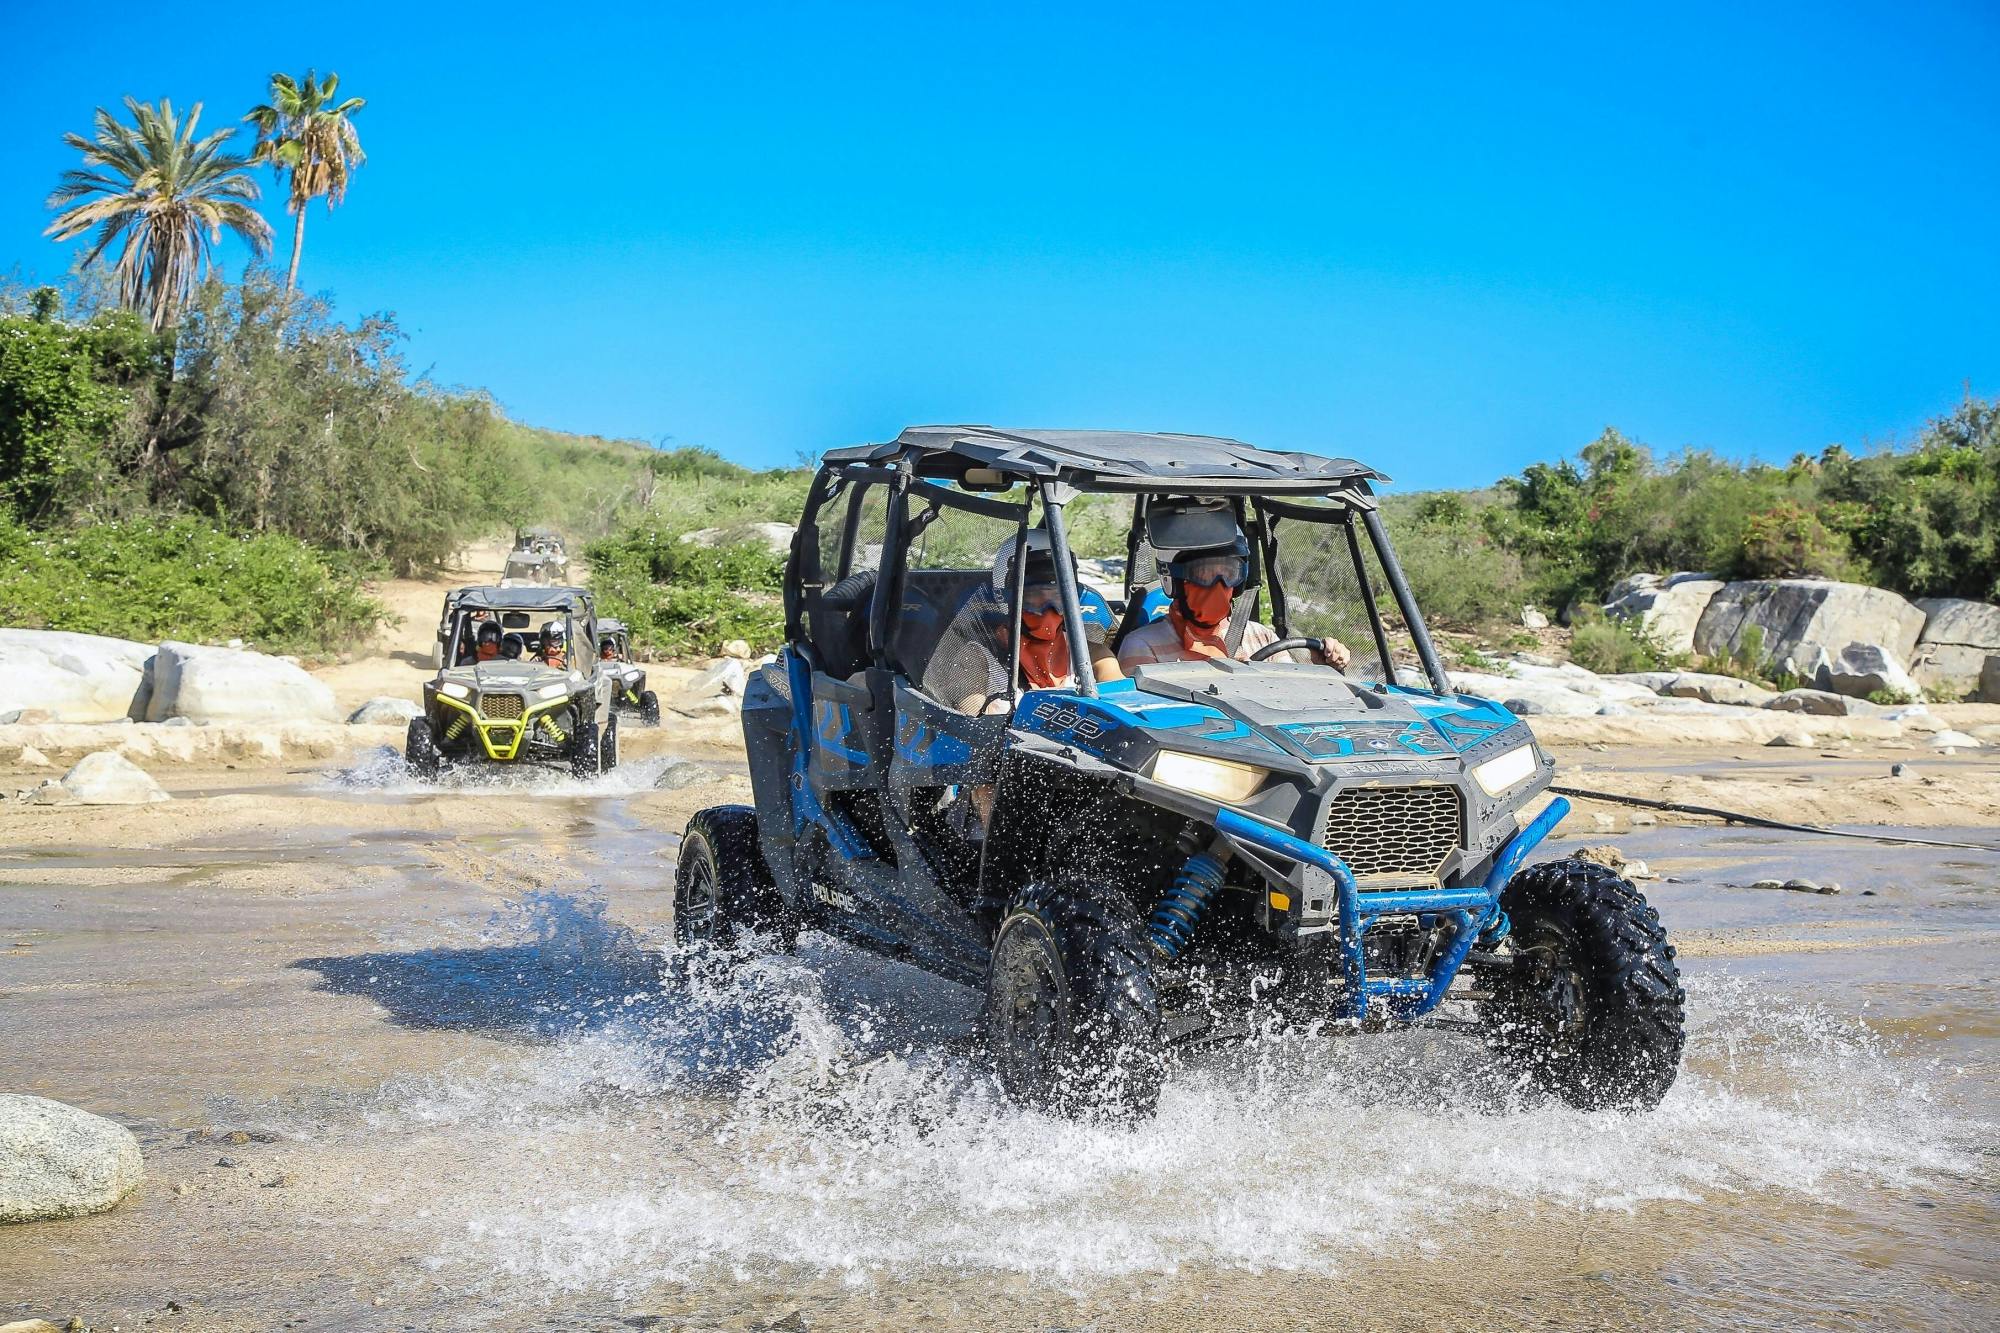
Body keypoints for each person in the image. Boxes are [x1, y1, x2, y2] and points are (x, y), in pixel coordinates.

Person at [1116, 521, 1352, 671]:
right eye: (1204, 573)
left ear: (1239, 581)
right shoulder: (1143, 645)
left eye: (1229, 573)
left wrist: (1323, 666)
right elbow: (1148, 718)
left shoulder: (1261, 637)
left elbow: (1287, 698)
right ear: (1175, 580)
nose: (1219, 584)